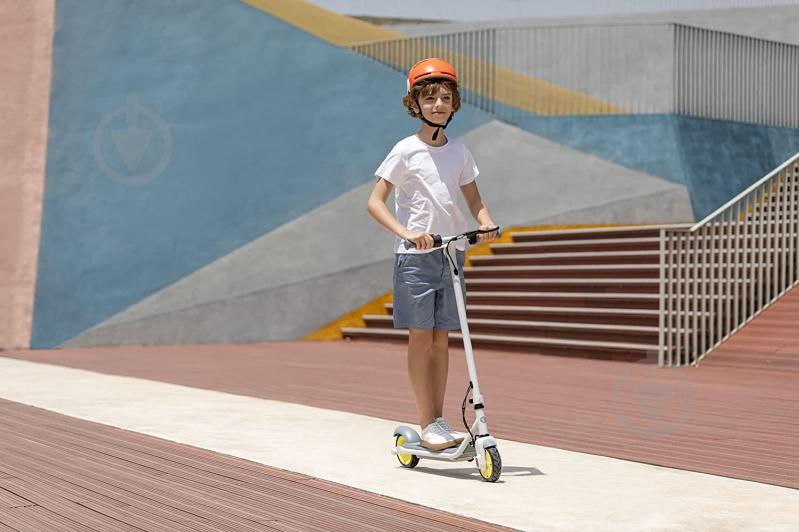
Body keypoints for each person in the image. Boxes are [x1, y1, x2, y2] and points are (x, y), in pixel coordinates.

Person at [366, 58, 498, 451]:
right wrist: (407, 232)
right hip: (415, 257)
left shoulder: (459, 152)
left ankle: (438, 422)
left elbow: (474, 199)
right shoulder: (406, 150)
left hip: (450, 254)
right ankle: (426, 422)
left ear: (455, 104)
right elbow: (374, 202)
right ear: (416, 104)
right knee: (421, 339)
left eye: (445, 97)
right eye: (430, 98)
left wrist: (487, 222)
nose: (438, 104)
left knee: (442, 340)